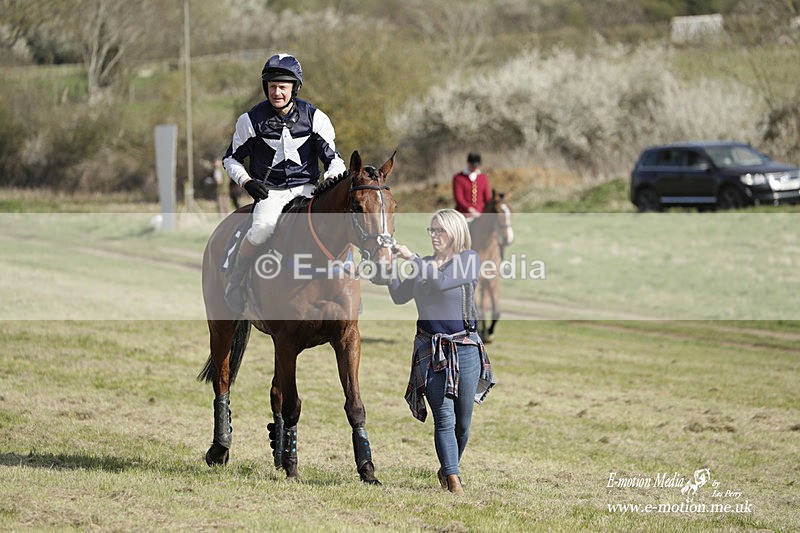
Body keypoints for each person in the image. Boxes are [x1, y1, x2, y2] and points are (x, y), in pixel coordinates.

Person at [222, 53, 347, 313]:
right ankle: (237, 281)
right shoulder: (251, 120)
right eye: (271, 86)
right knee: (260, 230)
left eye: (282, 86)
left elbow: (335, 161)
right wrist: (247, 182)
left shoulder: (315, 118)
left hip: (308, 190)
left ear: (295, 88)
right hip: (272, 193)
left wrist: (330, 180)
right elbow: (230, 160)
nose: (276, 92)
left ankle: (346, 290)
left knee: (338, 224)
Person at [389, 209, 495, 494]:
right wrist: (387, 268)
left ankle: (447, 469)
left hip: (465, 348)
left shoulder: (468, 260)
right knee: (444, 418)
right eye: (431, 231)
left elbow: (440, 282)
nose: (434, 236)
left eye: (440, 231)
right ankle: (453, 479)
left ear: (455, 232)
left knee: (463, 423)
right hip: (431, 349)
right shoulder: (424, 264)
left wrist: (411, 259)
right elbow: (400, 296)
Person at [452, 152, 491, 222]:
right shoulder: (458, 178)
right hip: (463, 214)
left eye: (476, 166)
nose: (475, 168)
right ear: (468, 163)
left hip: (480, 213)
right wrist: (470, 209)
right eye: (473, 165)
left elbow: (487, 198)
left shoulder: (483, 178)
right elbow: (459, 198)